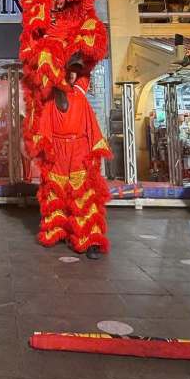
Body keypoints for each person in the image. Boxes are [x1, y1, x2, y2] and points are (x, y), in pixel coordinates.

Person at [34, 65, 111, 258]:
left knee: (83, 193)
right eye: (67, 71)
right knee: (55, 189)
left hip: (79, 148)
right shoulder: (51, 97)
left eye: (74, 72)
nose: (71, 75)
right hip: (58, 150)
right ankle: (57, 231)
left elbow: (87, 67)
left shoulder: (80, 92)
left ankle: (90, 239)